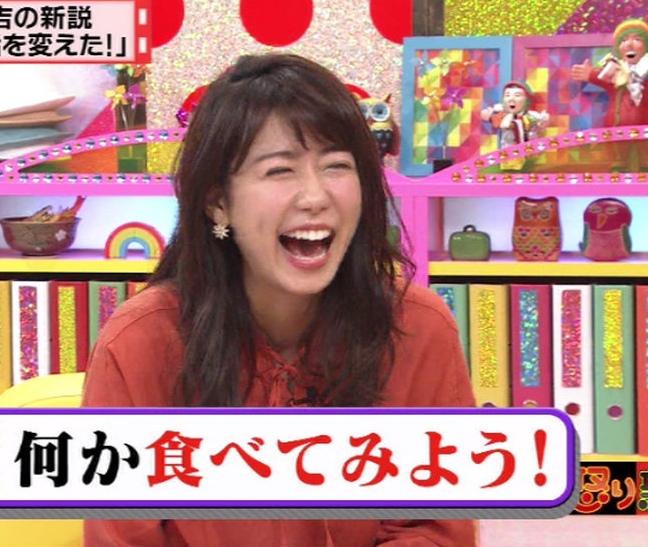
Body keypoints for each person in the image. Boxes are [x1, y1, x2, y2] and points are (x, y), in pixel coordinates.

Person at [82, 53, 477, 547]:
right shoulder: (140, 342)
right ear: (218, 202)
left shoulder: (418, 326)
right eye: (279, 171)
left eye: (337, 166)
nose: (315, 197)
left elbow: (435, 529)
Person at [570, 18, 648, 172]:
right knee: (618, 164)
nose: (630, 44)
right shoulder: (613, 72)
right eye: (624, 40)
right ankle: (618, 175)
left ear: (646, 46)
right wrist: (588, 74)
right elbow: (598, 76)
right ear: (618, 48)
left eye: (637, 39)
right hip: (616, 126)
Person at [480, 80, 549, 171]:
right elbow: (503, 125)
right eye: (507, 95)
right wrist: (489, 116)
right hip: (507, 156)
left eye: (517, 95)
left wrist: (543, 121)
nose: (511, 99)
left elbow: (541, 126)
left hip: (528, 157)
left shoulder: (532, 116)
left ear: (526, 100)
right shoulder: (501, 116)